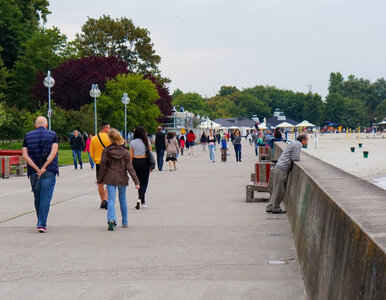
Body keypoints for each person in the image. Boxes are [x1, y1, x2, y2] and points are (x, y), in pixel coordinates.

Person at [22, 116, 59, 233]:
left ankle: (40, 220)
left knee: (37, 196)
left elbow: (25, 155)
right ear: (46, 125)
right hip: (48, 170)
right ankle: (41, 223)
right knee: (45, 196)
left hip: (34, 171)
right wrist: (44, 167)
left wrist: (36, 168)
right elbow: (53, 152)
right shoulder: (53, 135)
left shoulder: (28, 136)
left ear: (35, 125)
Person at [98, 129, 140, 231]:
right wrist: (136, 182)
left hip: (110, 177)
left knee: (111, 200)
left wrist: (100, 180)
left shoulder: (107, 151)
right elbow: (130, 168)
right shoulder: (125, 152)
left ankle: (111, 219)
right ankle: (125, 221)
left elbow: (102, 167)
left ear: (110, 139)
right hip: (122, 177)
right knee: (122, 199)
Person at [266, 133, 308, 214]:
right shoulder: (298, 145)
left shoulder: (293, 142)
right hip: (283, 169)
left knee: (276, 188)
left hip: (279, 167)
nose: (307, 142)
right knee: (280, 190)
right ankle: (276, 208)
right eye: (307, 140)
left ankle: (270, 206)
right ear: (303, 140)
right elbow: (295, 158)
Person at [90, 121, 111, 209]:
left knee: (100, 183)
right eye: (109, 128)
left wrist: (95, 160)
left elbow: (92, 152)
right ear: (105, 128)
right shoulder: (110, 138)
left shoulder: (94, 138)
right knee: (109, 182)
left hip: (99, 162)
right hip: (108, 162)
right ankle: (106, 199)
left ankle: (102, 200)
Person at [130, 126, 152, 209]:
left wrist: (130, 166)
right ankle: (140, 199)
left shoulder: (132, 142)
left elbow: (131, 156)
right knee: (144, 183)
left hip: (136, 162)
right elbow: (149, 153)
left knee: (138, 182)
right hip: (145, 162)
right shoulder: (147, 141)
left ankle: (142, 201)